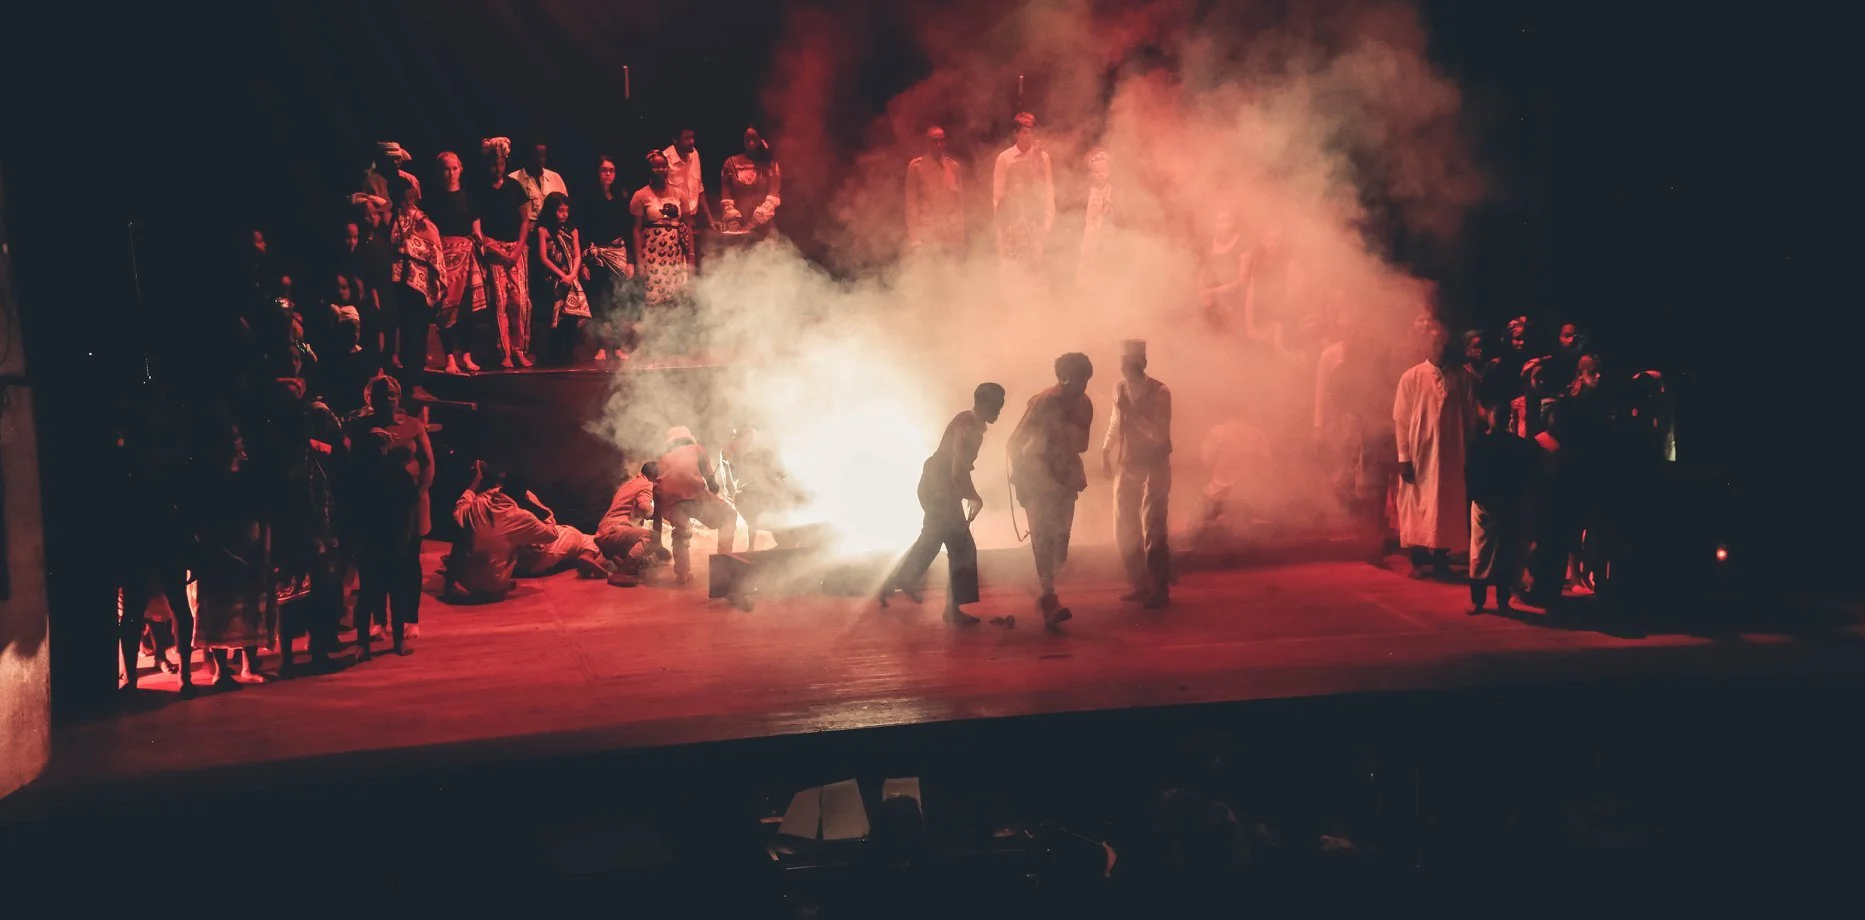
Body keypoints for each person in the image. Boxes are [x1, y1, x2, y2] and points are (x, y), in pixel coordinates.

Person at [878, 383, 1007, 626]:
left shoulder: (965, 421)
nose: (998, 412)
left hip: (934, 488)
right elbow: (958, 469)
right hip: (940, 491)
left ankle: (896, 581)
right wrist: (974, 496)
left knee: (932, 539)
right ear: (983, 404)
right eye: (996, 407)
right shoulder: (968, 429)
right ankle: (951, 609)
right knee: (962, 548)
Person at [345, 375, 432, 657]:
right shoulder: (361, 429)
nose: (388, 400)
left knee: (403, 568)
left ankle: (405, 626)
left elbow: (428, 463)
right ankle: (372, 630)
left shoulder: (411, 427)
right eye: (382, 395)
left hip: (403, 510)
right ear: (371, 399)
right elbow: (352, 468)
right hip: (373, 511)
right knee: (371, 576)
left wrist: (418, 494)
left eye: (393, 394)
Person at [1008, 353, 1094, 628]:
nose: (1081, 386)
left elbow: (1083, 444)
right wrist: (1023, 478)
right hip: (1038, 479)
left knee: (1061, 542)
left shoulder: (1084, 404)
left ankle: (1038, 585)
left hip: (1065, 478)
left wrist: (1065, 438)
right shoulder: (1043, 402)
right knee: (1043, 537)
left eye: (1085, 380)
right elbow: (1015, 442)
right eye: (1076, 379)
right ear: (1061, 378)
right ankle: (1048, 596)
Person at [445, 462, 607, 602]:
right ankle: (588, 553)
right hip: (500, 583)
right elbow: (551, 534)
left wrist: (476, 480)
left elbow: (460, 506)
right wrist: (544, 512)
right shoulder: (520, 516)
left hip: (463, 578)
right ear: (523, 492)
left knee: (478, 534)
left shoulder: (479, 502)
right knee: (580, 535)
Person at [1526, 352, 1612, 609]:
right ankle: (1545, 591)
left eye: (1599, 371)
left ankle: (1549, 591)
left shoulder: (1594, 403)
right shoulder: (1569, 404)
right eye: (1592, 372)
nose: (1598, 376)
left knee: (1564, 538)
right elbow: (1547, 434)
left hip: (1579, 477)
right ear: (1580, 375)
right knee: (1556, 538)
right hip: (1565, 479)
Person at [1392, 316, 1474, 579]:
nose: (1438, 347)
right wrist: (1404, 457)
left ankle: (1440, 559)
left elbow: (1470, 417)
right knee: (1416, 504)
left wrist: (1469, 452)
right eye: (1433, 343)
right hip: (1420, 454)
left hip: (1451, 454)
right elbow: (1401, 419)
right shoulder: (1412, 377)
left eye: (1441, 342)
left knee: (1445, 504)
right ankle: (1418, 560)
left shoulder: (1461, 377)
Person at [1102, 340, 1172, 607]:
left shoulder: (1160, 392)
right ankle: (1139, 583)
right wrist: (1105, 451)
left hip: (1155, 466)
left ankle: (1159, 587)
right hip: (1128, 463)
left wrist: (1133, 415)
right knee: (1123, 525)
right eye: (1124, 361)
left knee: (1153, 525)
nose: (1126, 367)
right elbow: (1115, 422)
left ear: (1143, 363)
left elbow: (1160, 435)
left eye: (1131, 362)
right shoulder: (1119, 389)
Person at [1466, 380, 1539, 614]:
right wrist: (1482, 499)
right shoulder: (1481, 443)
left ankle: (1500, 600)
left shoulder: (1513, 445)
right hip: (1487, 506)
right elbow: (1472, 476)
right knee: (1481, 555)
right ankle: (1480, 600)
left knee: (1503, 555)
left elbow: (1523, 477)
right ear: (1489, 415)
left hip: (1505, 506)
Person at [653, 426, 739, 586]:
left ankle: (682, 574)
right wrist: (713, 490)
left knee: (680, 533)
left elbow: (658, 486)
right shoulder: (697, 449)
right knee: (729, 515)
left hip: (669, 501)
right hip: (693, 493)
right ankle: (723, 565)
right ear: (688, 438)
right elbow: (711, 483)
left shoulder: (663, 459)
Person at [475, 137, 534, 367]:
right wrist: (489, 247)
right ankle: (505, 352)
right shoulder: (481, 189)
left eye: (500, 164)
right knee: (500, 301)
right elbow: (477, 222)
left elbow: (525, 220)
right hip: (494, 248)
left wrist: (518, 249)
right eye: (493, 164)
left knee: (519, 300)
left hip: (515, 248)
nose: (497, 169)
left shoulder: (514, 187)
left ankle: (520, 349)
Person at [387, 175, 446, 397]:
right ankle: (411, 385)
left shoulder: (417, 220)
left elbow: (432, 244)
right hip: (403, 284)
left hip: (414, 284)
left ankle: (414, 383)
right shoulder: (394, 218)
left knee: (416, 333)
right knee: (411, 333)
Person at [427, 151, 485, 376]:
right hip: (444, 258)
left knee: (468, 309)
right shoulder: (434, 199)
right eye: (446, 169)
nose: (451, 173)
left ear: (461, 170)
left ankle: (466, 355)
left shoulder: (468, 197)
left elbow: (476, 225)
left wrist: (478, 244)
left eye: (454, 168)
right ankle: (449, 357)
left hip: (467, 257)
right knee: (447, 308)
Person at [583, 155, 637, 363]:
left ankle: (618, 346)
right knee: (600, 302)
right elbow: (584, 231)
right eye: (604, 170)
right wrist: (585, 262)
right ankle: (601, 346)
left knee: (618, 301)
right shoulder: (589, 199)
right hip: (597, 256)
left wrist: (630, 260)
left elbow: (627, 230)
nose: (608, 174)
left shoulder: (621, 199)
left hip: (618, 255)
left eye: (611, 170)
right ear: (598, 173)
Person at [992, 112, 1054, 273]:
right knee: (1014, 269)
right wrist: (1001, 234)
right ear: (1016, 133)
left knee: (1036, 270)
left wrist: (1047, 226)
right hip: (1013, 223)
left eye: (1032, 132)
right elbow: (998, 198)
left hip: (1035, 220)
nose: (1029, 136)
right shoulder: (1005, 158)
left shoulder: (1043, 158)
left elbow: (1048, 191)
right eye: (1025, 132)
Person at [633, 150, 694, 309]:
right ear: (649, 170)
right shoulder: (641, 195)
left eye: (664, 166)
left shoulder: (679, 194)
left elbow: (688, 226)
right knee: (654, 302)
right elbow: (636, 230)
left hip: (675, 256)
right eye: (656, 167)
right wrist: (639, 261)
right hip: (652, 257)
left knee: (676, 301)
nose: (661, 170)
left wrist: (691, 256)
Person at [532, 191, 587, 364]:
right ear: (551, 210)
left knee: (571, 316)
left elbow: (577, 255)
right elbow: (543, 257)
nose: (564, 215)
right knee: (554, 317)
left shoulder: (572, 230)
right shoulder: (543, 230)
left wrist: (572, 275)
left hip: (571, 277)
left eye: (567, 211)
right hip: (552, 278)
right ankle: (553, 355)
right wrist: (562, 275)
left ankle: (569, 353)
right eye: (560, 211)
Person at [596, 461, 665, 587]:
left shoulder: (629, 484)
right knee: (653, 537)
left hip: (603, 534)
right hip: (615, 531)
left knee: (640, 559)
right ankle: (620, 573)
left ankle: (623, 565)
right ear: (655, 476)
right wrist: (654, 510)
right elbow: (645, 509)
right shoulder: (646, 484)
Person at [905, 126, 965, 255]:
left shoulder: (953, 167)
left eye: (942, 140)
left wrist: (961, 234)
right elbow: (912, 205)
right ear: (927, 143)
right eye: (934, 141)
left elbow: (959, 204)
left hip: (950, 233)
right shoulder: (917, 167)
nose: (939, 145)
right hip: (928, 233)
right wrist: (915, 239)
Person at [719, 127, 782, 241]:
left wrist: (752, 224)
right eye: (748, 140)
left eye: (754, 139)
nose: (751, 143)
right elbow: (726, 197)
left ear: (761, 140)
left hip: (764, 226)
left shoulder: (770, 165)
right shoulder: (730, 163)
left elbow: (773, 196)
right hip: (738, 224)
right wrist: (733, 220)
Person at [1195, 209, 1248, 330]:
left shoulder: (1242, 244)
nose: (1223, 225)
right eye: (1220, 221)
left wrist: (1213, 292)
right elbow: (1202, 272)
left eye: (1227, 221)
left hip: (1233, 304)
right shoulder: (1209, 244)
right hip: (1210, 303)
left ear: (1235, 222)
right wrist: (1202, 293)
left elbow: (1242, 281)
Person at [1076, 148, 1114, 287]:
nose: (1100, 175)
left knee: (1105, 268)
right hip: (1089, 237)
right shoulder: (1087, 192)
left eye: (1104, 171)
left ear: (1110, 172)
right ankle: (1086, 290)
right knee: (1088, 266)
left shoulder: (1113, 191)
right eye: (1096, 172)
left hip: (1107, 237)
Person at [664, 128, 713, 231]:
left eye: (693, 137)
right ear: (675, 139)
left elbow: (699, 188)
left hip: (693, 221)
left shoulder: (694, 154)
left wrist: (710, 220)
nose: (692, 141)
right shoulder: (664, 159)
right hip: (672, 223)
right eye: (687, 138)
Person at [508, 141, 568, 226]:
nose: (540, 160)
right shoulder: (513, 179)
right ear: (528, 156)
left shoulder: (555, 178)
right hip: (526, 229)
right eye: (536, 156)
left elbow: (565, 206)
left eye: (543, 156)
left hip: (552, 229)